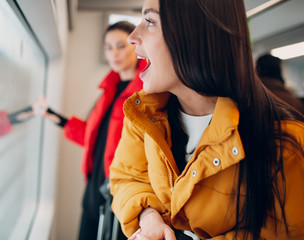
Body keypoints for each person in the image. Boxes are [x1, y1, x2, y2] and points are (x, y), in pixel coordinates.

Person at [109, 1, 304, 240]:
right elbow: (126, 176)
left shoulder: (286, 144)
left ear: (193, 34)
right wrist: (149, 215)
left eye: (149, 21)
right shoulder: (145, 115)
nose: (133, 37)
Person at [34, 21, 146, 240]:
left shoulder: (146, 93)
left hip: (121, 196)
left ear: (136, 45)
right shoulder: (108, 90)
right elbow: (93, 137)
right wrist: (52, 115)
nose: (114, 53)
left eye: (121, 46)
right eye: (108, 47)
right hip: (94, 191)